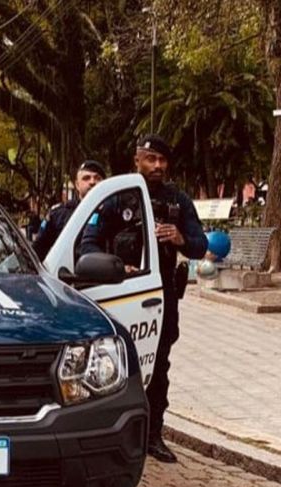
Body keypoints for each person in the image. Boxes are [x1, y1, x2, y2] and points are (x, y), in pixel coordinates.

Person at [80, 134, 207, 463]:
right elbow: (88, 242)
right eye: (151, 159)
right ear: (137, 160)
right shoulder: (118, 197)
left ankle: (153, 435)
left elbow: (200, 244)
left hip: (160, 300)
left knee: (158, 366)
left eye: (162, 160)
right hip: (119, 296)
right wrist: (116, 266)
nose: (157, 165)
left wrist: (180, 238)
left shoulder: (178, 201)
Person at [32, 160, 106, 260]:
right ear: (77, 185)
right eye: (86, 178)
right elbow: (38, 251)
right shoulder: (58, 214)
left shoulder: (115, 212)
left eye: (97, 178)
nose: (92, 182)